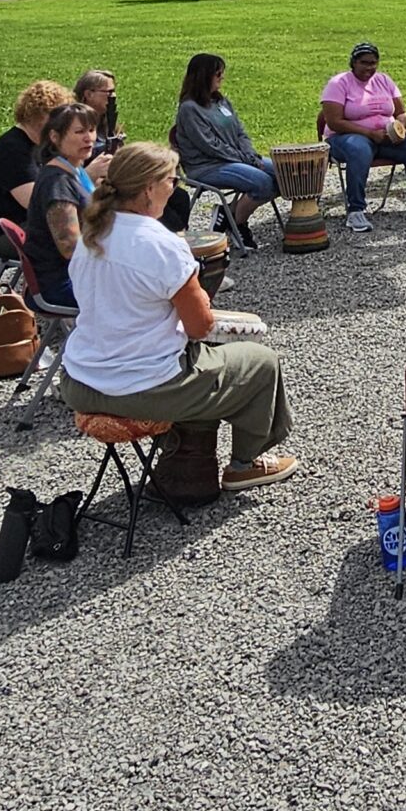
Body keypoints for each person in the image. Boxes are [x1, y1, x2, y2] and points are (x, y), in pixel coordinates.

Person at [60, 141, 298, 500]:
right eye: (171, 181)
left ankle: (187, 462)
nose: (175, 188)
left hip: (80, 381)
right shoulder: (161, 244)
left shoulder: (91, 234)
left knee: (206, 363)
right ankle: (244, 464)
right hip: (138, 389)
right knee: (261, 362)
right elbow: (199, 327)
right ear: (149, 188)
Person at [321, 40, 406, 233]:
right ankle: (355, 210)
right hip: (345, 137)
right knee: (359, 149)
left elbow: (402, 113)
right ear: (353, 62)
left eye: (373, 63)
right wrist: (369, 133)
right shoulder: (338, 83)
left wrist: (399, 129)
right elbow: (334, 121)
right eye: (364, 63)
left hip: (386, 137)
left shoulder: (384, 80)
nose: (369, 68)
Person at [172, 53, 278, 240]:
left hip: (236, 159)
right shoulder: (189, 109)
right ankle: (237, 225)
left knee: (285, 173)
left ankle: (228, 213)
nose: (222, 77)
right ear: (204, 76)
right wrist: (246, 160)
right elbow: (210, 146)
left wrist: (249, 154)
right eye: (218, 74)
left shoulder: (221, 102)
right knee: (262, 183)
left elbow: (240, 132)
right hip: (207, 166)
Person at [0, 79, 73, 259]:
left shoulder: (39, 145)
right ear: (38, 118)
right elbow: (38, 204)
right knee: (74, 237)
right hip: (0, 234)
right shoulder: (12, 151)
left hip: (23, 224)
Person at [21, 100, 98, 313]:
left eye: (92, 130)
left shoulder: (75, 171)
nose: (89, 138)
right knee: (145, 292)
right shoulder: (57, 183)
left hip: (77, 274)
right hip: (60, 283)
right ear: (55, 137)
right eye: (79, 132)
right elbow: (70, 247)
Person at [73, 69, 124, 150]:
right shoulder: (71, 124)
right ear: (89, 94)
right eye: (109, 92)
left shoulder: (109, 123)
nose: (114, 96)